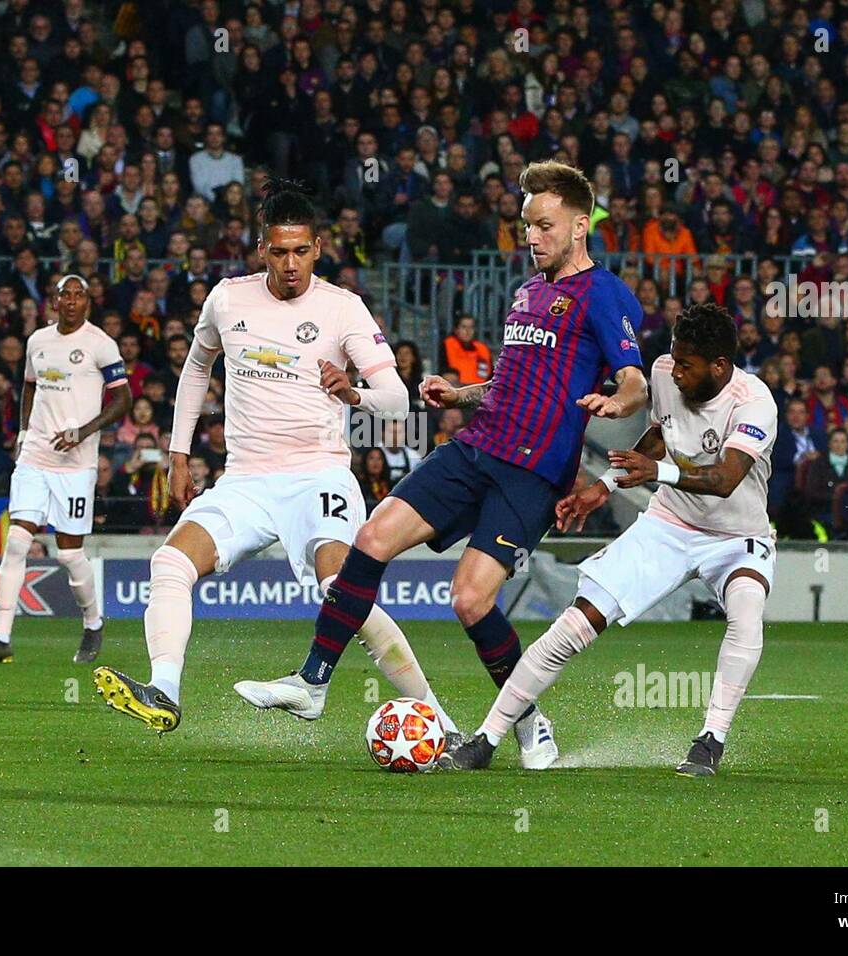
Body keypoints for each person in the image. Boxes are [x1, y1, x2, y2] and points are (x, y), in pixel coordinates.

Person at [238, 162, 649, 770]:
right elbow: (512, 383)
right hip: (476, 445)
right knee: (373, 536)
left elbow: (635, 380)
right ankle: (312, 681)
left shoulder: (607, 294)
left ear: (580, 225)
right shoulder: (527, 293)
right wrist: (460, 394)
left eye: (543, 226)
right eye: (525, 226)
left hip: (532, 472)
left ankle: (530, 722)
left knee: (470, 601)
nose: (530, 237)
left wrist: (619, 400)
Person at [91, 179, 460, 738]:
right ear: (261, 248)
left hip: (319, 474)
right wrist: (179, 452)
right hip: (245, 478)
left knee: (341, 594)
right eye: (280, 251)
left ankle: (440, 718)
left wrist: (352, 391)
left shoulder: (344, 309)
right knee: (169, 565)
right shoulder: (227, 298)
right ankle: (164, 689)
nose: (291, 264)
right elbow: (196, 369)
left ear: (319, 247)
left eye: (302, 251)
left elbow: (397, 400)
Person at [439, 303, 775, 776]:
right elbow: (661, 434)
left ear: (719, 366)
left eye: (687, 364)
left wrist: (654, 472)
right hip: (669, 524)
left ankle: (711, 739)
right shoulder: (662, 372)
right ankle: (487, 737)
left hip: (736, 536)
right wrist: (604, 486)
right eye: (674, 359)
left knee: (746, 607)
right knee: (576, 622)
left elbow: (724, 478)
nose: (674, 371)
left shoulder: (753, 401)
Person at [0, 274, 132, 665]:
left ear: (88, 303)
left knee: (69, 555)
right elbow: (28, 385)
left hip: (75, 465)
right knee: (17, 541)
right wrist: (24, 430)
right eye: (66, 295)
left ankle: (93, 623)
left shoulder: (100, 344)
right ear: (54, 302)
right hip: (36, 457)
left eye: (80, 296)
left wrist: (84, 431)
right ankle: (1, 638)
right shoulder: (37, 341)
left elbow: (124, 398)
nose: (73, 301)